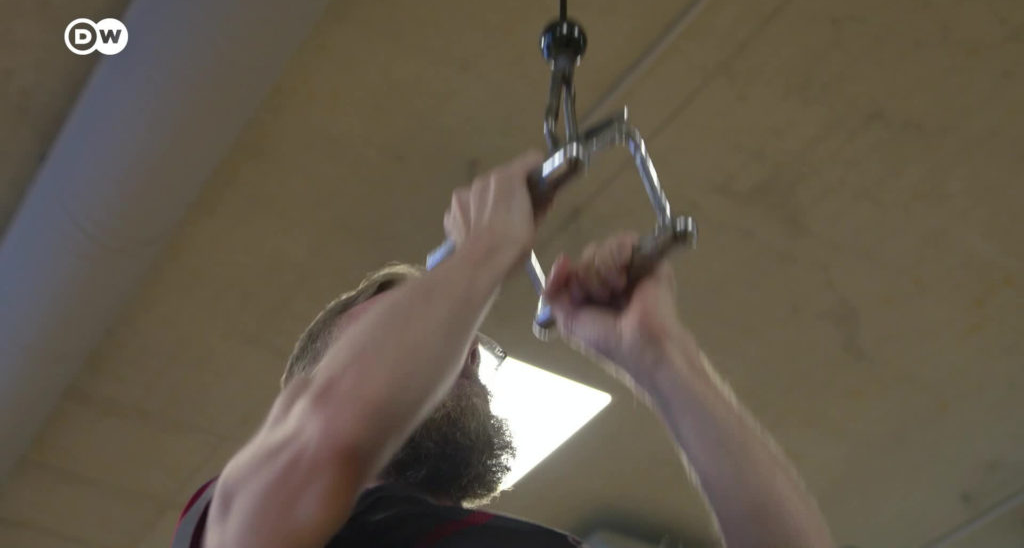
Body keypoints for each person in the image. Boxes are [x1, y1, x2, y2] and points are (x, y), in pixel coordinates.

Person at [175, 151, 834, 548]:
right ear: (310, 377)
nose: (463, 349)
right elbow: (324, 435)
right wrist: (483, 251)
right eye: (399, 315)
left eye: (469, 346)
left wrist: (661, 357)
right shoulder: (235, 518)